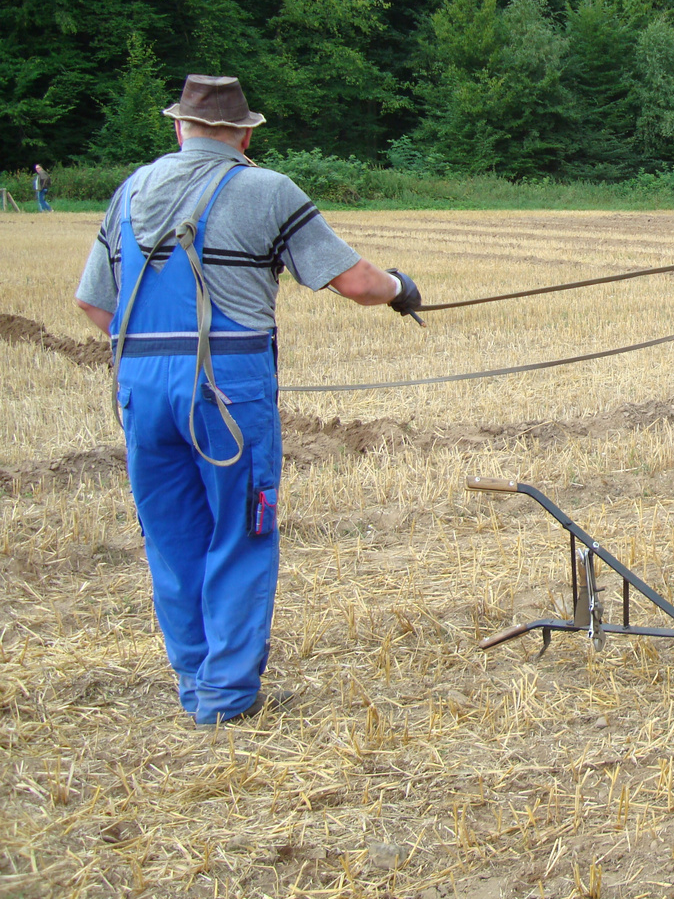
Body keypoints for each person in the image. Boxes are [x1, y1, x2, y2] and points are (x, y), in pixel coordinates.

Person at [74, 74, 424, 725]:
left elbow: (95, 307)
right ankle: (228, 698)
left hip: (140, 389)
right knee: (239, 533)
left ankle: (196, 686)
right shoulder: (266, 190)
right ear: (244, 134)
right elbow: (353, 281)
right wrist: (401, 287)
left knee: (173, 540)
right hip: (225, 391)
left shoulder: (129, 192)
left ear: (179, 127)